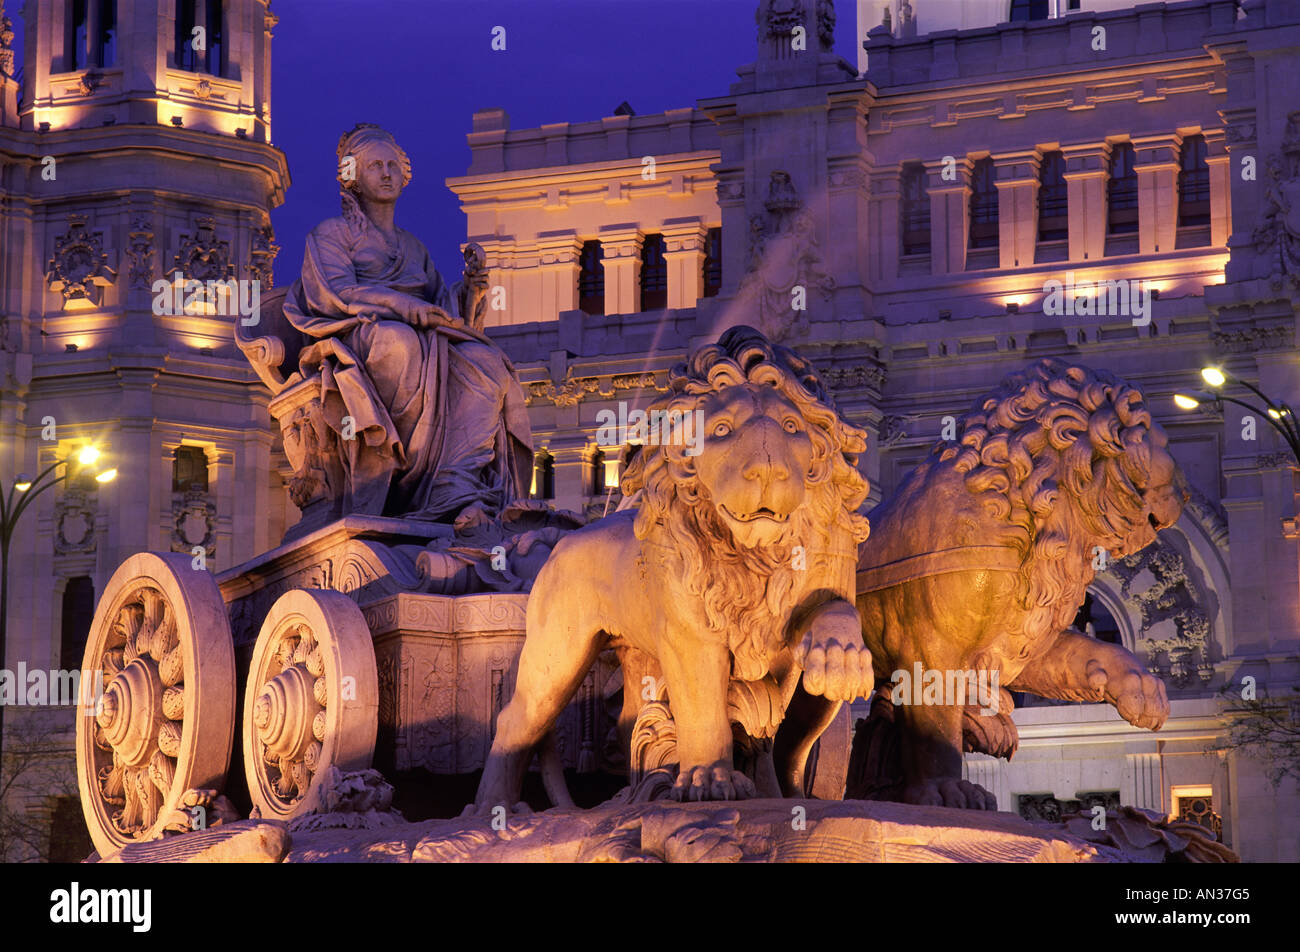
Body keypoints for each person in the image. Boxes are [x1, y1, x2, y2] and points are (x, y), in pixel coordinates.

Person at [282, 123, 532, 523]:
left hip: (426, 338)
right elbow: (338, 294)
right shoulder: (329, 234)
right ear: (352, 178)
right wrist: (399, 305)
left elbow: (443, 308)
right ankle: (404, 476)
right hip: (357, 337)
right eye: (374, 166)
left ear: (404, 174)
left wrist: (470, 290)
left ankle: (454, 478)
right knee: (401, 344)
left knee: (487, 362)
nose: (385, 173)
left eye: (392, 165)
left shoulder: (414, 247)